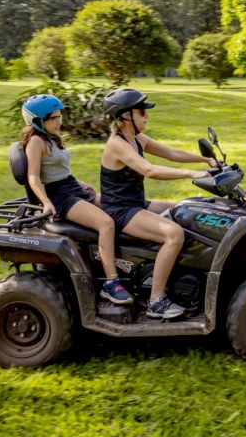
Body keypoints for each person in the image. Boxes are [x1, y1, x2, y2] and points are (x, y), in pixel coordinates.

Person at [99, 88, 216, 319]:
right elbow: (150, 170)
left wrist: (206, 160)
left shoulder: (136, 139)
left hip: (135, 203)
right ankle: (156, 301)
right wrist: (193, 174)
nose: (147, 115)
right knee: (174, 234)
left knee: (185, 210)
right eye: (141, 112)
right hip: (120, 210)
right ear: (125, 116)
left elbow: (170, 153)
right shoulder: (117, 144)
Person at [20, 94, 133, 305]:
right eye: (53, 118)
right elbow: (33, 177)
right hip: (60, 196)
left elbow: (57, 170)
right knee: (106, 223)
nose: (59, 121)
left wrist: (79, 183)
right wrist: (46, 202)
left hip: (71, 187)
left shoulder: (51, 138)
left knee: (117, 205)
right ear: (37, 121)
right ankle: (111, 283)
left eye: (59, 117)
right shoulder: (36, 141)